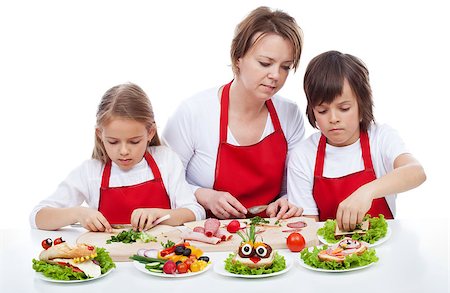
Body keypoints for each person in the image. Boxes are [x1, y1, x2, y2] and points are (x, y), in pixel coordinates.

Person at [163, 6, 305, 220]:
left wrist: (286, 201)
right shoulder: (194, 112)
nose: (275, 75)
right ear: (238, 57)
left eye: (285, 66)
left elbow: (292, 186)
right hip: (205, 238)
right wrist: (206, 196)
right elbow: (163, 180)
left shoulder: (290, 114)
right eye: (265, 63)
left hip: (269, 232)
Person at [30, 83, 205, 232]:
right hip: (109, 264)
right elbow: (37, 217)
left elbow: (195, 212)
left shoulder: (166, 160)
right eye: (113, 142)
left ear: (150, 132)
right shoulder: (91, 172)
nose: (123, 151)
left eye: (134, 141)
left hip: (160, 261)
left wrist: (159, 215)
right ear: (100, 134)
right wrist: (78, 213)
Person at [287, 50, 426, 231]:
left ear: (362, 103)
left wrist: (366, 192)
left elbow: (416, 172)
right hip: (330, 254)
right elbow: (309, 229)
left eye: (344, 108)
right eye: (322, 110)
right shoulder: (304, 155)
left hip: (384, 251)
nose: (333, 118)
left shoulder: (380, 138)